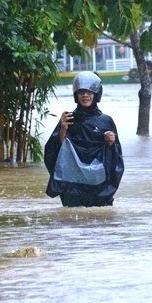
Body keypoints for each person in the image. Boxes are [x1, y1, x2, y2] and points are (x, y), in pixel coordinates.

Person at [44, 71, 124, 207]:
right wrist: (63, 128)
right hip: (73, 185)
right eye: (81, 92)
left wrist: (110, 143)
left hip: (98, 185)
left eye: (89, 92)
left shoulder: (106, 121)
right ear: (76, 95)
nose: (85, 96)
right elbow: (55, 151)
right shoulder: (68, 119)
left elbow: (116, 158)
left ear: (96, 94)